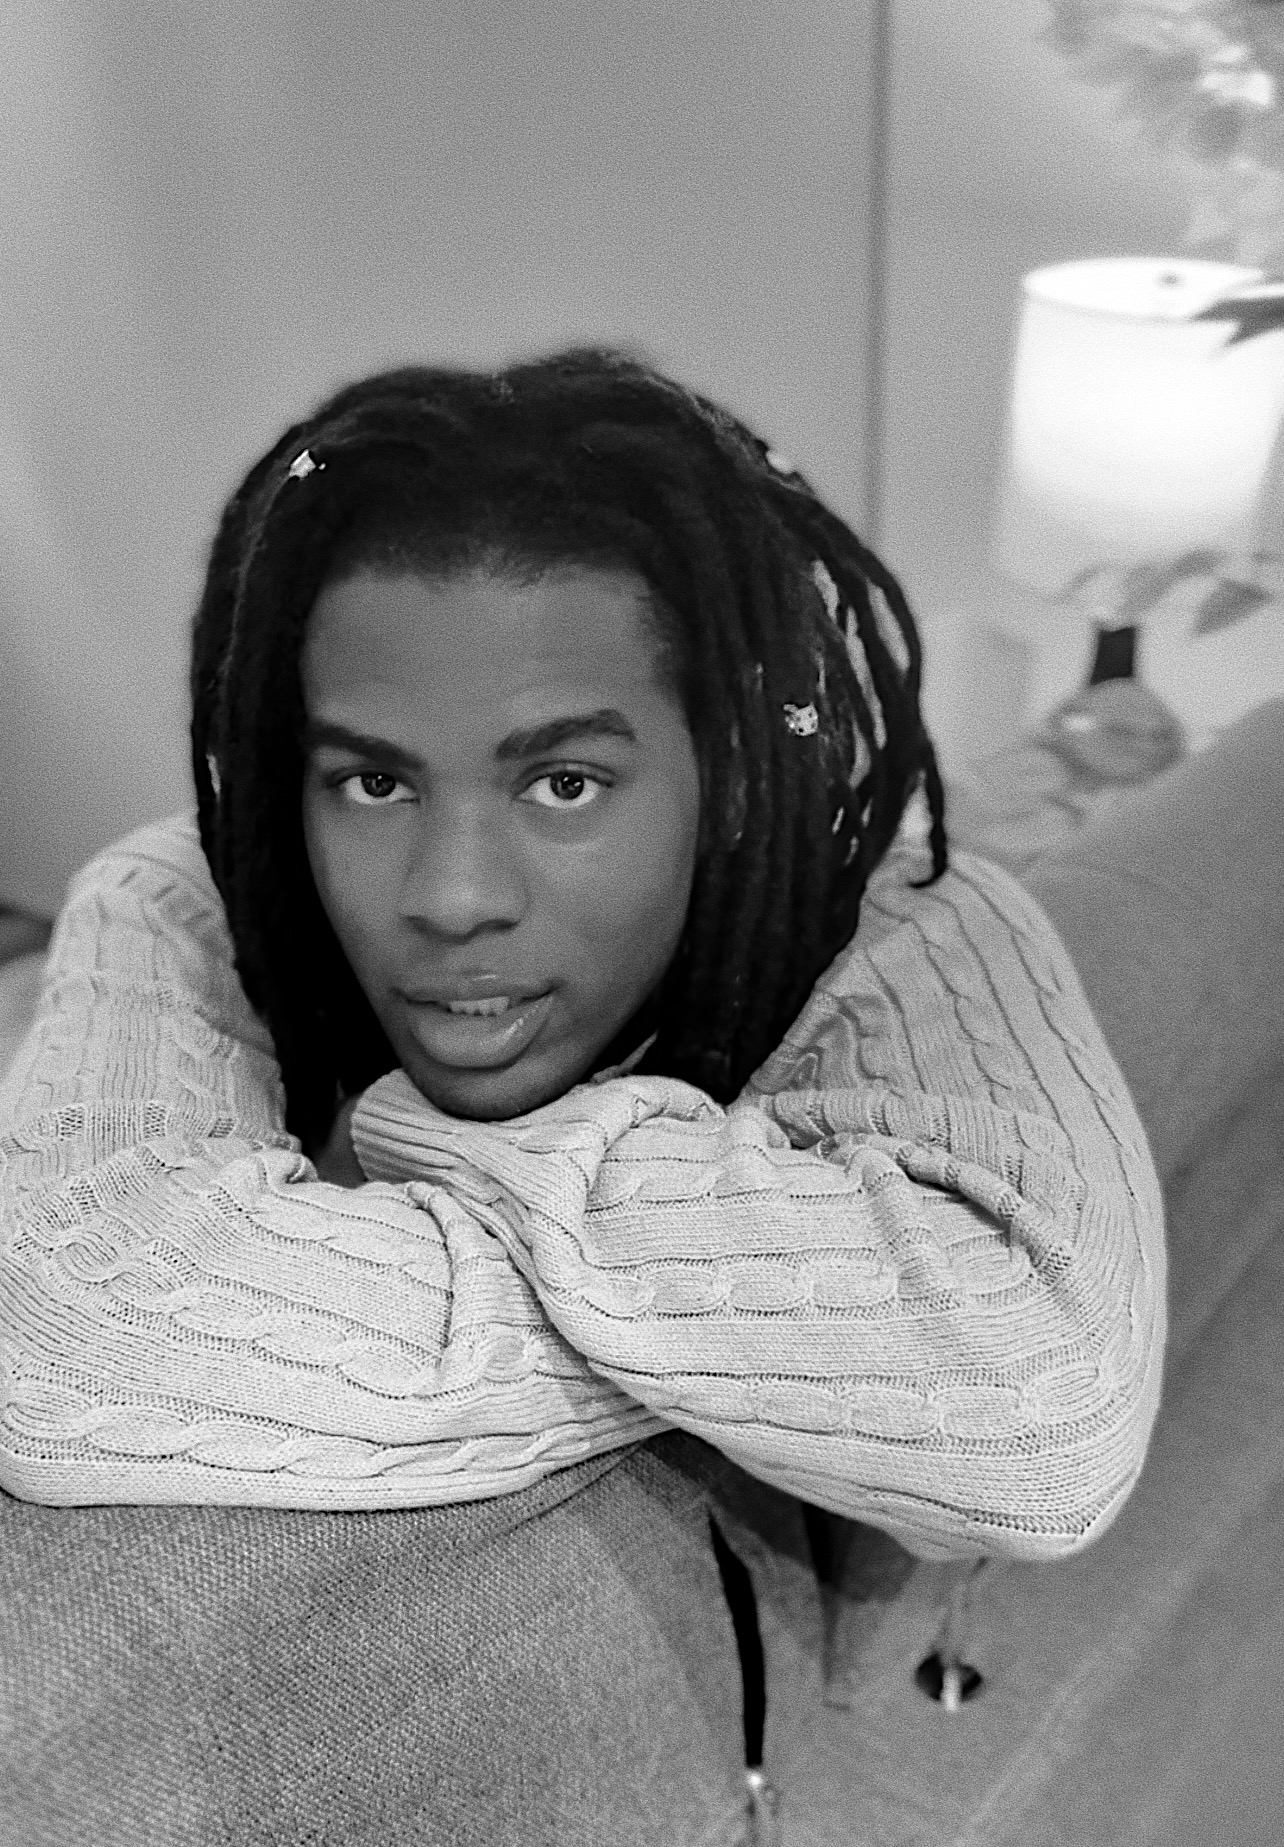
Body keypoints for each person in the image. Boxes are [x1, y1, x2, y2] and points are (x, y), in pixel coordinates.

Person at [0, 350, 1166, 1555]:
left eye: (564, 781)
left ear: (727, 771)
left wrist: (429, 1138)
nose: (452, 899)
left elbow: (1045, 1417)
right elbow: (59, 1324)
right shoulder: (189, 892)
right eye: (375, 781)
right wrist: (780, 1367)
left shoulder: (905, 922)